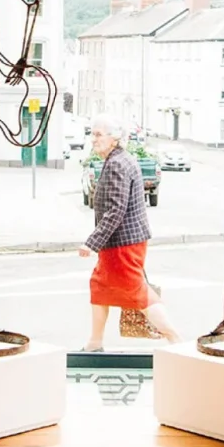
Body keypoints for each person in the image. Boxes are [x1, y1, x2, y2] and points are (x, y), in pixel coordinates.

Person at [77, 114, 182, 351]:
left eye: (98, 134)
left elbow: (115, 210)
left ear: (114, 139)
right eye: (92, 134)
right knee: (99, 286)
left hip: (122, 244)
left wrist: (91, 243)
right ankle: (95, 343)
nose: (93, 139)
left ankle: (175, 339)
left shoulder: (116, 164)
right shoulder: (119, 159)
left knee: (138, 294)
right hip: (121, 242)